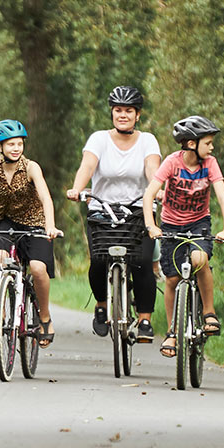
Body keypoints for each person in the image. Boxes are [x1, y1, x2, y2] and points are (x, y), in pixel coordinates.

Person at [65, 85, 162, 343]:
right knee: (98, 260)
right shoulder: (99, 139)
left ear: (137, 115)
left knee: (141, 261)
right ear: (112, 112)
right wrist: (77, 188)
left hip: (138, 210)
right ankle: (101, 304)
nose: (122, 115)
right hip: (102, 208)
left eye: (128, 111)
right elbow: (88, 165)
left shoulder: (148, 140)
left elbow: (153, 170)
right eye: (118, 110)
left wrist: (157, 190)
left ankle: (144, 320)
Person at [141, 115, 224, 358]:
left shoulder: (210, 163)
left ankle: (209, 313)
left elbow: (222, 194)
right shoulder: (172, 163)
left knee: (199, 259)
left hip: (199, 224)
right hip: (170, 226)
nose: (212, 147)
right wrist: (151, 226)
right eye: (208, 142)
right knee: (171, 280)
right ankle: (172, 332)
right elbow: (149, 194)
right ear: (192, 143)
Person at [0, 120, 63, 347]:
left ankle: (45, 318)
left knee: (38, 269)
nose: (16, 148)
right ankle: (1, 312)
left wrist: (50, 225)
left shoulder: (31, 168)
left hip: (35, 222)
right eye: (10, 144)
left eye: (19, 144)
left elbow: (46, 198)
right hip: (6, 221)